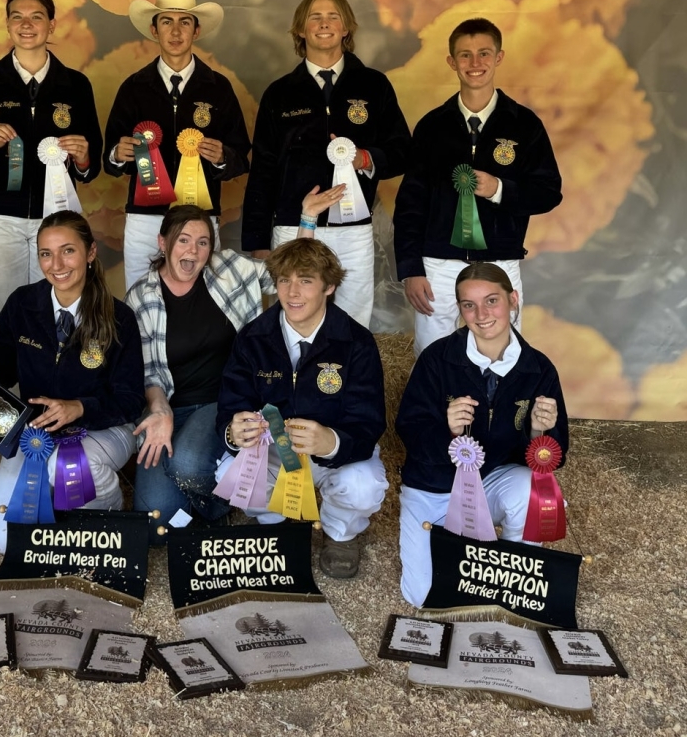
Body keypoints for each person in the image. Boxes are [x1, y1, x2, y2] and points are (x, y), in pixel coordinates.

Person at [126, 185, 346, 540]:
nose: (194, 250)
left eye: (202, 242)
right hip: (169, 404)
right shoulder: (141, 295)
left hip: (224, 399)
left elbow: (285, 277)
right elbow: (149, 370)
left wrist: (307, 220)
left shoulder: (227, 267)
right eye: (183, 240)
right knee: (155, 524)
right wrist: (161, 413)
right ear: (163, 243)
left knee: (187, 463)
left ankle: (217, 502)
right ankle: (214, 496)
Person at [0, 211, 144, 555]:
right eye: (46, 254)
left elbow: (131, 399)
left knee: (66, 468)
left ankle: (107, 512)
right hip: (36, 434)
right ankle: (60, 500)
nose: (56, 264)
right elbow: (2, 365)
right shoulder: (22, 303)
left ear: (91, 253)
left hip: (101, 428)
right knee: (5, 540)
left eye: (68, 251)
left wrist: (78, 407)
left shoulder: (118, 317)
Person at [394, 262, 569, 607]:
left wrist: (538, 431)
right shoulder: (436, 360)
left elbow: (554, 454)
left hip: (491, 482)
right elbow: (409, 433)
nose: (482, 314)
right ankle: (462, 551)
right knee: (424, 596)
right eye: (469, 305)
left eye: (492, 301)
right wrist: (447, 429)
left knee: (532, 490)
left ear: (513, 299)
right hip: (434, 488)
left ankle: (516, 573)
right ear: (459, 309)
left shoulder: (539, 369)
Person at [215, 239, 389, 579]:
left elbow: (369, 420)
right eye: (284, 280)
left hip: (332, 454)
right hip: (275, 453)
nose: (293, 292)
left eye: (305, 280)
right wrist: (233, 432)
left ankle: (341, 533)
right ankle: (273, 525)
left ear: (329, 285)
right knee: (229, 476)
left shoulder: (357, 342)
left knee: (363, 486)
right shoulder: (252, 337)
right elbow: (231, 403)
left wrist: (333, 442)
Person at [240, 0, 411, 328]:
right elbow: (263, 168)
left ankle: (346, 381)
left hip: (353, 229)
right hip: (293, 226)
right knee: (293, 317)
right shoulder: (280, 93)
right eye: (314, 17)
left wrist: (366, 158)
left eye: (333, 16)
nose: (324, 23)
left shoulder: (374, 86)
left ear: (347, 28)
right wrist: (259, 241)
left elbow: (403, 151)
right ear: (300, 30)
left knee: (353, 320)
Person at [393, 18, 562, 357]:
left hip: (499, 258)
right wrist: (411, 267)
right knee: (431, 354)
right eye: (465, 55)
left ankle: (498, 411)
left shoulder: (524, 124)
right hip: (437, 261)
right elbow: (411, 203)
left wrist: (500, 189)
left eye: (484, 53)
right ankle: (434, 412)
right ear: (451, 62)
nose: (475, 64)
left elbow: (548, 191)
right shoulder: (432, 126)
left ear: (499, 57)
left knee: (504, 352)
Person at [0, 0, 102, 334]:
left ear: (51, 25)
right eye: (17, 16)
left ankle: (52, 381)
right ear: (7, 25)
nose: (26, 24)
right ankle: (3, 385)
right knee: (1, 307)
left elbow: (91, 165)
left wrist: (83, 158)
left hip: (57, 218)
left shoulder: (76, 85)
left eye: (36, 16)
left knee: (58, 304)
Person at [103, 0, 252, 291]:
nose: (175, 31)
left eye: (184, 22)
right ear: (154, 29)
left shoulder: (218, 87)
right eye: (166, 21)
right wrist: (118, 154)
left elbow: (241, 156)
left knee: (198, 298)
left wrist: (224, 158)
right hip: (145, 219)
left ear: (196, 31)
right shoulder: (133, 87)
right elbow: (110, 156)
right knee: (140, 298)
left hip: (200, 218)